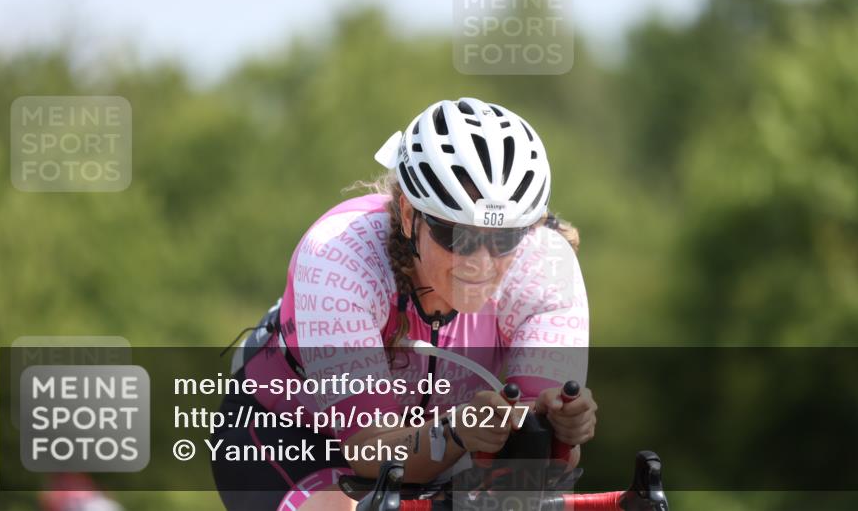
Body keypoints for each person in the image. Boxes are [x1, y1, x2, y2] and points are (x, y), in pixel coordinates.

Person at [211, 98, 596, 511]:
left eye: (504, 240)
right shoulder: (340, 255)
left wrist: (558, 430)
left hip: (438, 448)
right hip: (294, 436)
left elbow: (535, 475)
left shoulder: (546, 266)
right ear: (410, 215)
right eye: (457, 235)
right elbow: (370, 453)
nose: (481, 262)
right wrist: (458, 431)